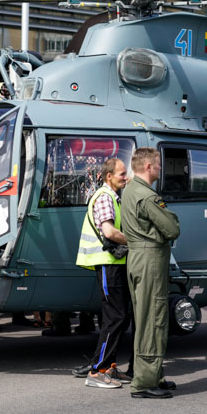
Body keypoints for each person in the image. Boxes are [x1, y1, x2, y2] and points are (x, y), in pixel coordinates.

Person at [120, 147, 180, 399]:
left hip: (138, 257)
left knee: (145, 317)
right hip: (149, 259)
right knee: (152, 319)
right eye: (157, 164)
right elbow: (172, 228)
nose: (160, 168)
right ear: (148, 167)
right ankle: (145, 382)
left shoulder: (130, 190)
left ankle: (152, 374)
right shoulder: (146, 196)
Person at [74, 157, 133, 389]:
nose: (125, 177)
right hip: (108, 263)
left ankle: (108, 367)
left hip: (113, 263)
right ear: (109, 176)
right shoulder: (105, 197)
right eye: (121, 174)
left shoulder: (112, 197)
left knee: (117, 317)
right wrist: (137, 241)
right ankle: (98, 371)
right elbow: (109, 231)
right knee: (115, 317)